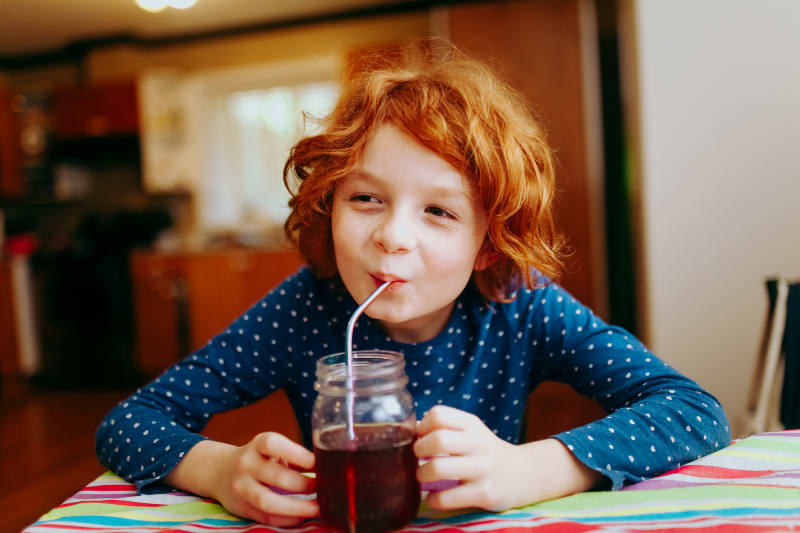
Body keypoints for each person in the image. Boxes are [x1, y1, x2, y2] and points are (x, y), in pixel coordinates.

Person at [96, 41, 730, 525]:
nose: (393, 236)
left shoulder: (519, 303)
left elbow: (694, 412)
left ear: (489, 245)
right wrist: (220, 468)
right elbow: (129, 421)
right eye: (367, 198)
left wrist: (529, 468)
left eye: (439, 211)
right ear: (329, 206)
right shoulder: (304, 309)